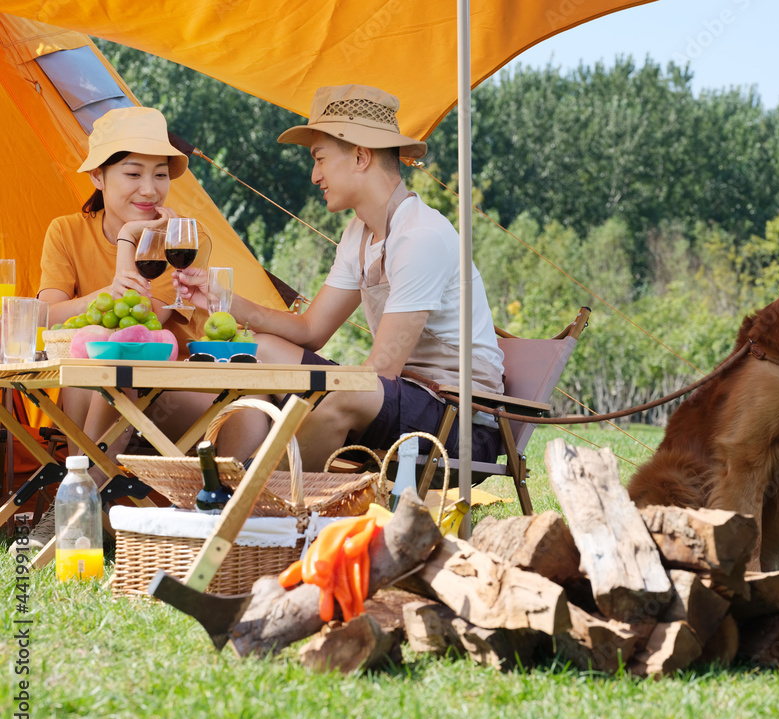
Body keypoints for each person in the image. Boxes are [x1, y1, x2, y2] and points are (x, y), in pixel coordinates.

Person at [174, 84, 504, 471]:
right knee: (258, 350)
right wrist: (221, 299)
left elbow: (380, 372)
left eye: (320, 158)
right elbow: (311, 330)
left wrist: (314, 392)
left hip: (456, 418)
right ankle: (228, 490)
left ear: (361, 157)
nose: (315, 175)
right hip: (398, 396)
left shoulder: (421, 236)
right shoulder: (359, 234)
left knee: (341, 395)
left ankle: (265, 506)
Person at [28, 107, 213, 549]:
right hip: (98, 389)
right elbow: (47, 314)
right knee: (95, 361)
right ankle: (83, 510)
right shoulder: (66, 231)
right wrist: (107, 289)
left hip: (169, 392)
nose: (150, 189)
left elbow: (146, 324)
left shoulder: (183, 239)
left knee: (120, 360)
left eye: (161, 175)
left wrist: (131, 238)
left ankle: (72, 513)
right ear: (98, 177)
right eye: (133, 174)